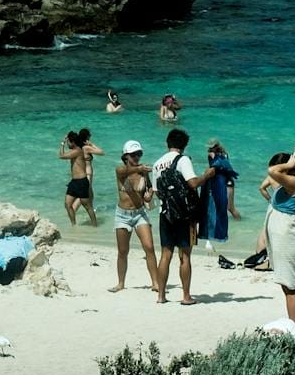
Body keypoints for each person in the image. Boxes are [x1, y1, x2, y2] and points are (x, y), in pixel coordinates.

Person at [153, 128, 213, 304]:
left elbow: (158, 193)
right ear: (184, 145)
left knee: (165, 254)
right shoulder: (183, 159)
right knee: (184, 256)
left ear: (167, 143)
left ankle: (161, 296)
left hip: (165, 213)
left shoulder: (157, 163)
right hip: (185, 215)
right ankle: (186, 296)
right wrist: (207, 175)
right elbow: (193, 183)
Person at [264, 151, 295, 325]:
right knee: (293, 285)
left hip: (287, 237)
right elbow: (272, 174)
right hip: (285, 236)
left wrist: (290, 165)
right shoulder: (288, 184)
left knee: (290, 287)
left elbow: (272, 171)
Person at [111, 140, 162, 294]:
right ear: (125, 156)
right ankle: (120, 283)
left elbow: (146, 198)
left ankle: (155, 282)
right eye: (134, 154)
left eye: (139, 154)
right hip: (123, 215)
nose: (137, 157)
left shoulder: (143, 173)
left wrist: (150, 193)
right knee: (123, 251)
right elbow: (123, 172)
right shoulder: (121, 171)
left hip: (140, 213)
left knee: (149, 247)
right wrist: (140, 168)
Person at [199, 139, 242, 247]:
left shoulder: (212, 155)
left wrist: (203, 178)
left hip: (221, 184)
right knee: (230, 208)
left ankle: (236, 224)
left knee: (226, 207)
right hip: (229, 182)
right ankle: (240, 225)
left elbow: (212, 169)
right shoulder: (224, 154)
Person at [59, 128, 104, 226]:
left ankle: (95, 226)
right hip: (75, 181)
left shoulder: (78, 150)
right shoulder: (81, 149)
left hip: (81, 180)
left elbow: (61, 156)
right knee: (68, 204)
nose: (67, 144)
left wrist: (62, 143)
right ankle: (73, 226)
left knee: (87, 206)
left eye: (68, 142)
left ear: (72, 142)